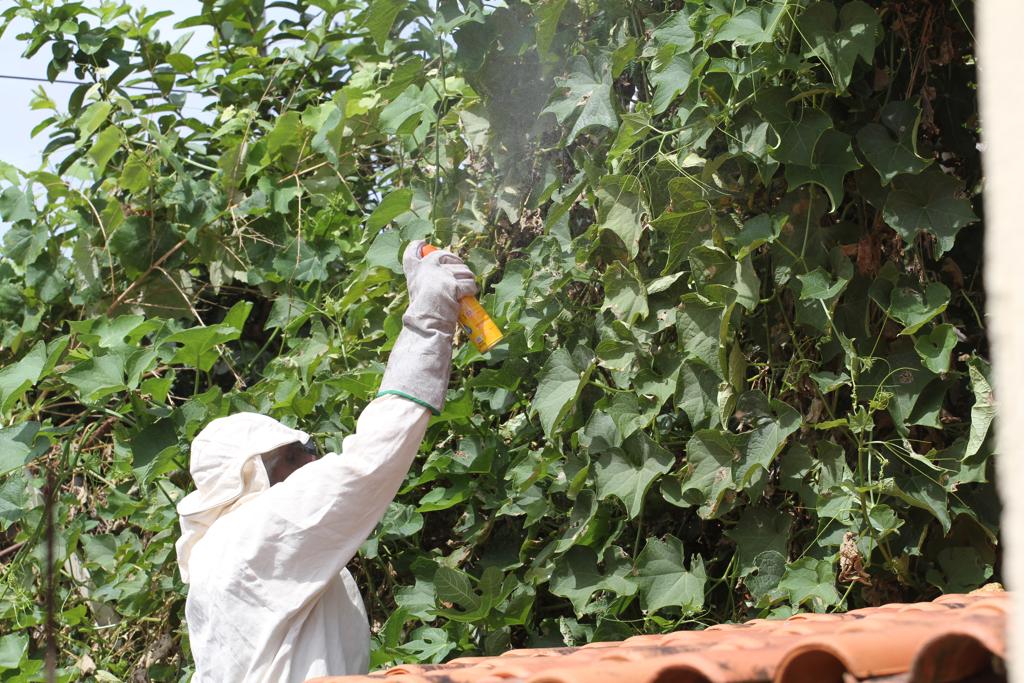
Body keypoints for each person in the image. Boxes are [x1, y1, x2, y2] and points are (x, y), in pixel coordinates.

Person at [174, 241, 479, 682]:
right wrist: (429, 318)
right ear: (252, 474)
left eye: (307, 447)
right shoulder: (258, 531)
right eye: (292, 456)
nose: (311, 458)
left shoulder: (214, 555)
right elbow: (369, 459)